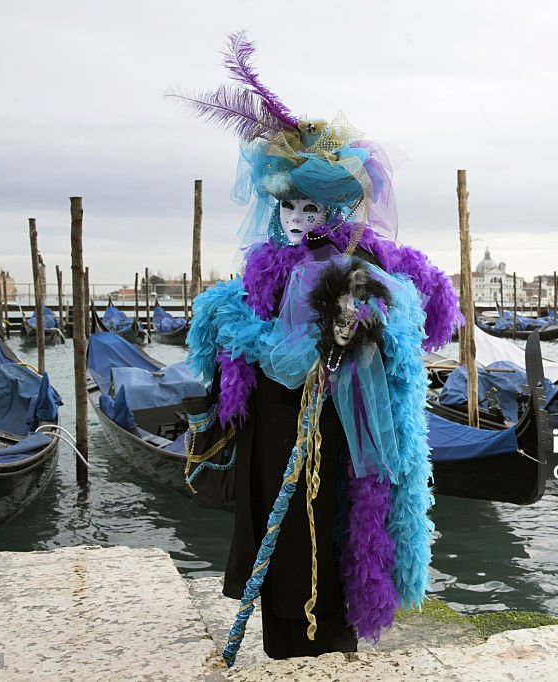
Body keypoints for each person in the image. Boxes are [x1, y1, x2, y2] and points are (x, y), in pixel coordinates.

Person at [179, 32, 461, 661]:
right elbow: (233, 364)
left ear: (339, 208)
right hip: (277, 431)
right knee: (284, 550)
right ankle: (288, 648)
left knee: (339, 539)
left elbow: (430, 328)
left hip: (344, 432)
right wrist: (246, 339)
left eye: (314, 207)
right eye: (290, 206)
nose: (300, 221)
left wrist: (367, 327)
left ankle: (333, 650)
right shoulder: (258, 275)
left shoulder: (379, 269)